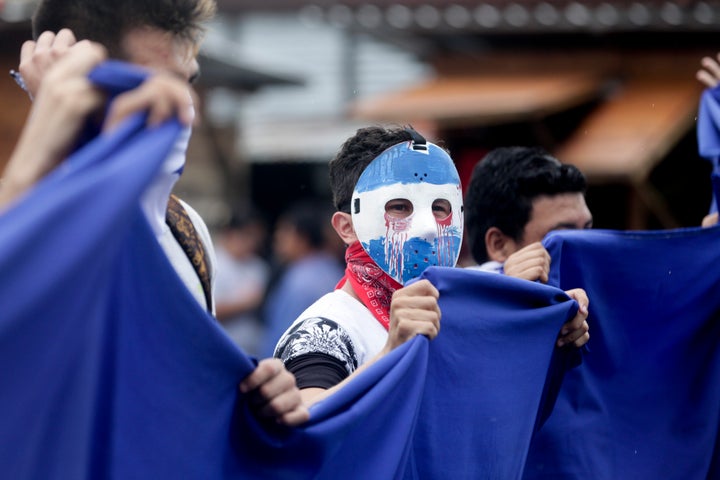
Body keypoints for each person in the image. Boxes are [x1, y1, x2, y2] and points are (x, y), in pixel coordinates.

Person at [9, 0, 308, 426]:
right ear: (79, 85)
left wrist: (251, 398)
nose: (182, 108)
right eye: (151, 84)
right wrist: (55, 140)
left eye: (187, 83)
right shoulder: (27, 216)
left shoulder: (186, 230)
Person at [273, 126, 462, 405]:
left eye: (439, 208)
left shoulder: (453, 311)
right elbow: (305, 416)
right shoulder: (326, 330)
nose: (428, 229)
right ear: (346, 227)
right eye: (399, 207)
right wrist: (391, 353)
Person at [464, 146, 591, 348]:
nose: (586, 251)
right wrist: (503, 303)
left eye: (588, 232)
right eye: (563, 237)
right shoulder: (446, 315)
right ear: (499, 245)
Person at [260, 199, 345, 358]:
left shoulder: (299, 279)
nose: (277, 237)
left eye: (284, 231)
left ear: (303, 237)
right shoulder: (334, 269)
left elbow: (280, 337)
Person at [213, 210, 271, 357]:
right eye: (246, 235)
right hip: (223, 350)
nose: (252, 243)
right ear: (230, 234)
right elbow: (210, 310)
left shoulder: (259, 266)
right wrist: (247, 303)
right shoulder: (213, 264)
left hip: (255, 350)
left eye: (256, 237)